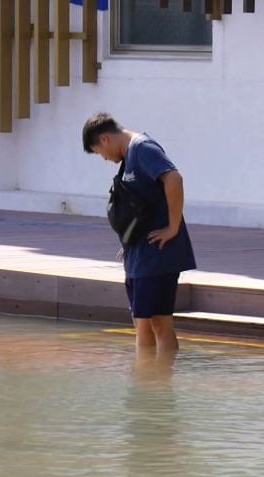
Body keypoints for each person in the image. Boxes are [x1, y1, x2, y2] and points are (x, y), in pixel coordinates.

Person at [82, 113, 196, 355]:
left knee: (149, 325)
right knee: (150, 322)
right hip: (141, 253)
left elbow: (173, 179)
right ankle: (156, 383)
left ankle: (146, 386)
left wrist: (173, 227)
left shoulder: (142, 148)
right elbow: (142, 205)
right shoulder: (128, 159)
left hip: (157, 255)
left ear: (104, 139)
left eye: (99, 152)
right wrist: (130, 240)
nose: (104, 158)